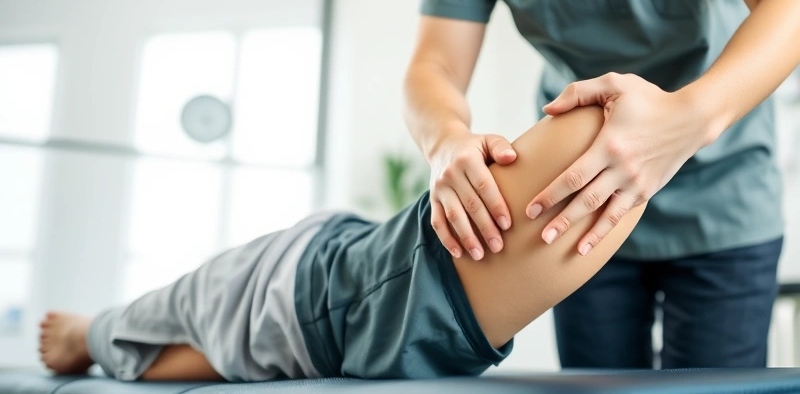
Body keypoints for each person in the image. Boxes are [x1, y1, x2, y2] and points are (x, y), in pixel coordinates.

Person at [404, 0, 800, 369]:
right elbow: (433, 65)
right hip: (574, 204)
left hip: (723, 194)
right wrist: (444, 141)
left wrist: (683, 122)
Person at [37, 106, 642, 382]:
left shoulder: (620, 163)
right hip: (295, 271)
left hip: (318, 327)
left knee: (228, 359)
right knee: (175, 313)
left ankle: (94, 338)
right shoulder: (602, 134)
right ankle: (92, 332)